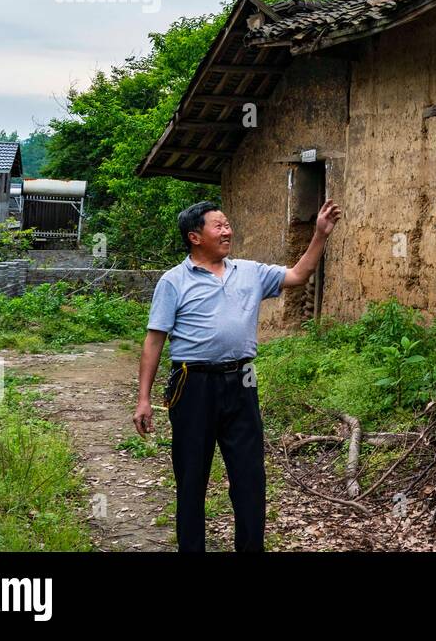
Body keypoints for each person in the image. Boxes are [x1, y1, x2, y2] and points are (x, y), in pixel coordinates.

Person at [132, 199, 340, 552]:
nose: (227, 230)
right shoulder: (173, 281)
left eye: (227, 224)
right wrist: (144, 399)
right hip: (191, 384)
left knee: (249, 478)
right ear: (195, 237)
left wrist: (320, 235)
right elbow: (154, 341)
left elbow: (298, 275)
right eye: (218, 226)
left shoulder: (250, 271)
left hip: (243, 382)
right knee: (192, 478)